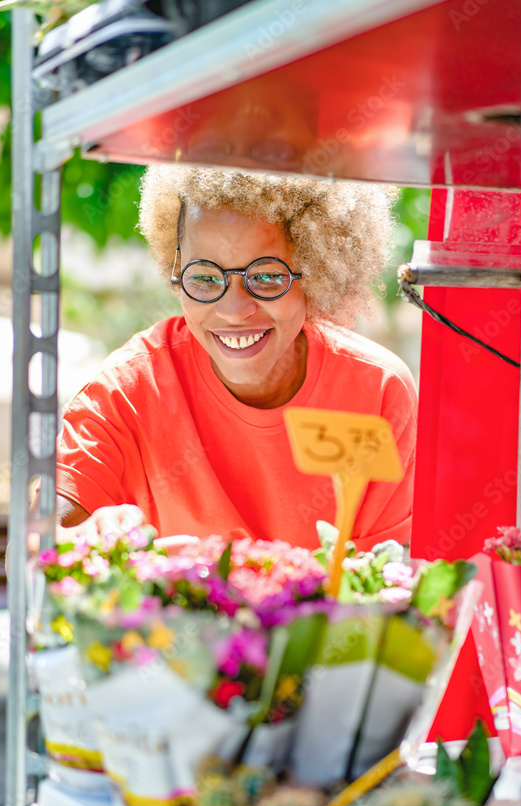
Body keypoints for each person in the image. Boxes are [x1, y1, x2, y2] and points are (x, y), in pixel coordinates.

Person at [53, 166, 417, 550]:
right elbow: (36, 546)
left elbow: (387, 577)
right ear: (177, 273)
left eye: (266, 276)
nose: (233, 310)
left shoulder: (377, 390)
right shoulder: (129, 389)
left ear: (315, 272)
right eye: (205, 278)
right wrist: (83, 538)